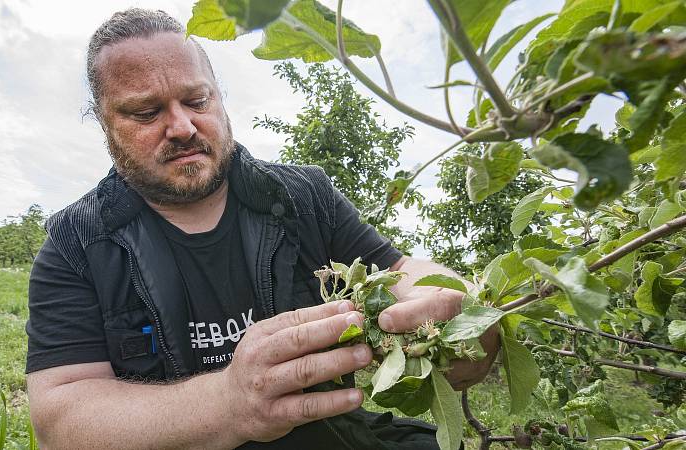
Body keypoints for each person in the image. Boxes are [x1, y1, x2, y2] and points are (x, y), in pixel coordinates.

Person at [25, 8, 497, 449]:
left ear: (219, 97)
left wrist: (458, 310)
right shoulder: (76, 243)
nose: (183, 126)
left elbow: (399, 269)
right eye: (146, 112)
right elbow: (61, 416)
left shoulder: (303, 197)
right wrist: (226, 404)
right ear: (103, 122)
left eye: (196, 100)